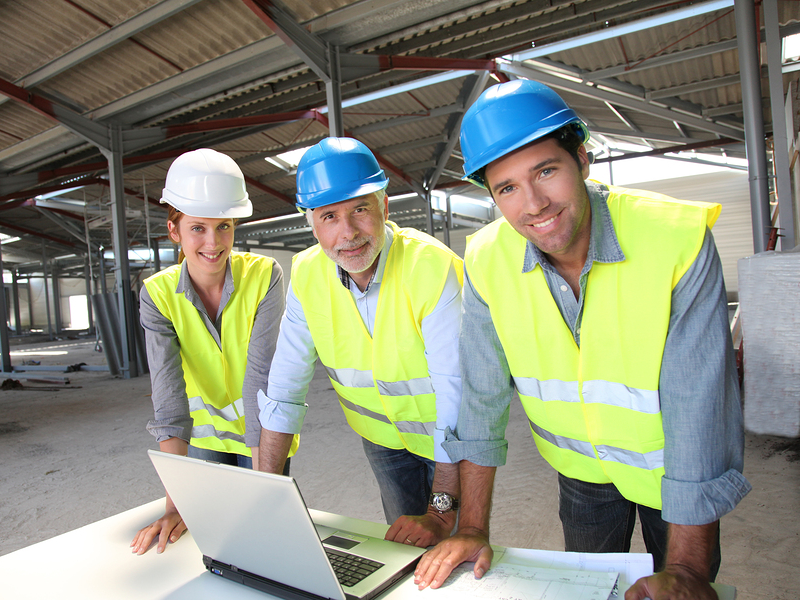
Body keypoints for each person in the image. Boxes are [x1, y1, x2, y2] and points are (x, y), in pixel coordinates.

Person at [414, 80, 751, 600]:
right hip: (579, 477)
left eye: (546, 171)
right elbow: (481, 400)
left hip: (675, 475)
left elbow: (699, 405)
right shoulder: (485, 260)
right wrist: (472, 529)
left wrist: (686, 570)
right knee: (588, 589)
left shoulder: (674, 239)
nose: (533, 205)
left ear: (583, 159)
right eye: (507, 188)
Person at [256, 137, 464, 547]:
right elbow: (284, 390)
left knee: (452, 546)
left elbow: (457, 398)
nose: (347, 233)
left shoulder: (431, 267)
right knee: (404, 549)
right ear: (311, 223)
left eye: (360, 210)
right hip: (382, 442)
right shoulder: (307, 275)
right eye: (329, 216)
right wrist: (264, 493)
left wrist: (441, 511)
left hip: (451, 439)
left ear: (385, 207)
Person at [131, 148, 298, 555]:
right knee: (211, 543)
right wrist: (176, 506)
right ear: (175, 230)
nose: (213, 242)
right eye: (198, 228)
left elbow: (263, 380)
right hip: (204, 439)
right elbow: (168, 401)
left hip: (263, 437)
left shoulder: (264, 277)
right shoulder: (157, 295)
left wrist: (265, 490)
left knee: (267, 538)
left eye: (224, 226)